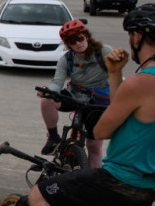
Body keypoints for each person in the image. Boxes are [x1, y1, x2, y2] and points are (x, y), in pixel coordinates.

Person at [29, 3, 155, 206]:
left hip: (122, 177)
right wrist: (115, 74)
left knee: (41, 195)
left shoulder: (143, 81)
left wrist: (118, 81)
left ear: (137, 37)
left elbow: (104, 128)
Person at [39, 19, 113, 168]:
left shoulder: (104, 52)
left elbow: (116, 74)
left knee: (94, 146)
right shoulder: (66, 59)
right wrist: (48, 92)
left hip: (98, 102)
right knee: (47, 101)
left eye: (80, 38)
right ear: (68, 44)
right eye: (72, 42)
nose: (78, 44)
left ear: (86, 36)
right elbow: (57, 83)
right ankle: (53, 137)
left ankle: (92, 180)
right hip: (76, 96)